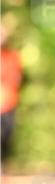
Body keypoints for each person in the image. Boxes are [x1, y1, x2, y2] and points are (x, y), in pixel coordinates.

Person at [1, 22, 24, 166]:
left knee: (6, 135)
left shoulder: (13, 56)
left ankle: (3, 162)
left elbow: (18, 78)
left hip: (9, 102)